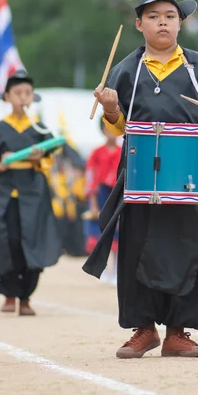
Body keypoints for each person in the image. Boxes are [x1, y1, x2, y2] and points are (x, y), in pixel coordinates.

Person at [83, 0, 198, 358]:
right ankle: (144, 330)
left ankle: (178, 332)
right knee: (138, 246)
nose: (162, 23)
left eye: (170, 16)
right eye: (154, 16)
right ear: (139, 24)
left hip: (189, 176)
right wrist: (109, 108)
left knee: (188, 246)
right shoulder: (125, 71)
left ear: (180, 24)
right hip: (141, 176)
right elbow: (119, 127)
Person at [0, 70, 61, 315]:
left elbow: (51, 161)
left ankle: (26, 297)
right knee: (9, 241)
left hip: (33, 194)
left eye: (27, 93)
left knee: (33, 242)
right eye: (17, 93)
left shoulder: (39, 130)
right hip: (6, 194)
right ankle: (9, 293)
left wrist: (39, 160)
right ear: (6, 96)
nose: (23, 97)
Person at [84, 117, 122, 282]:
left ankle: (116, 270)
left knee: (119, 232)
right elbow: (90, 176)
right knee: (103, 232)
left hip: (117, 194)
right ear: (103, 131)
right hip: (101, 195)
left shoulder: (123, 151)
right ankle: (104, 268)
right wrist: (93, 204)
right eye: (107, 129)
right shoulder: (96, 152)